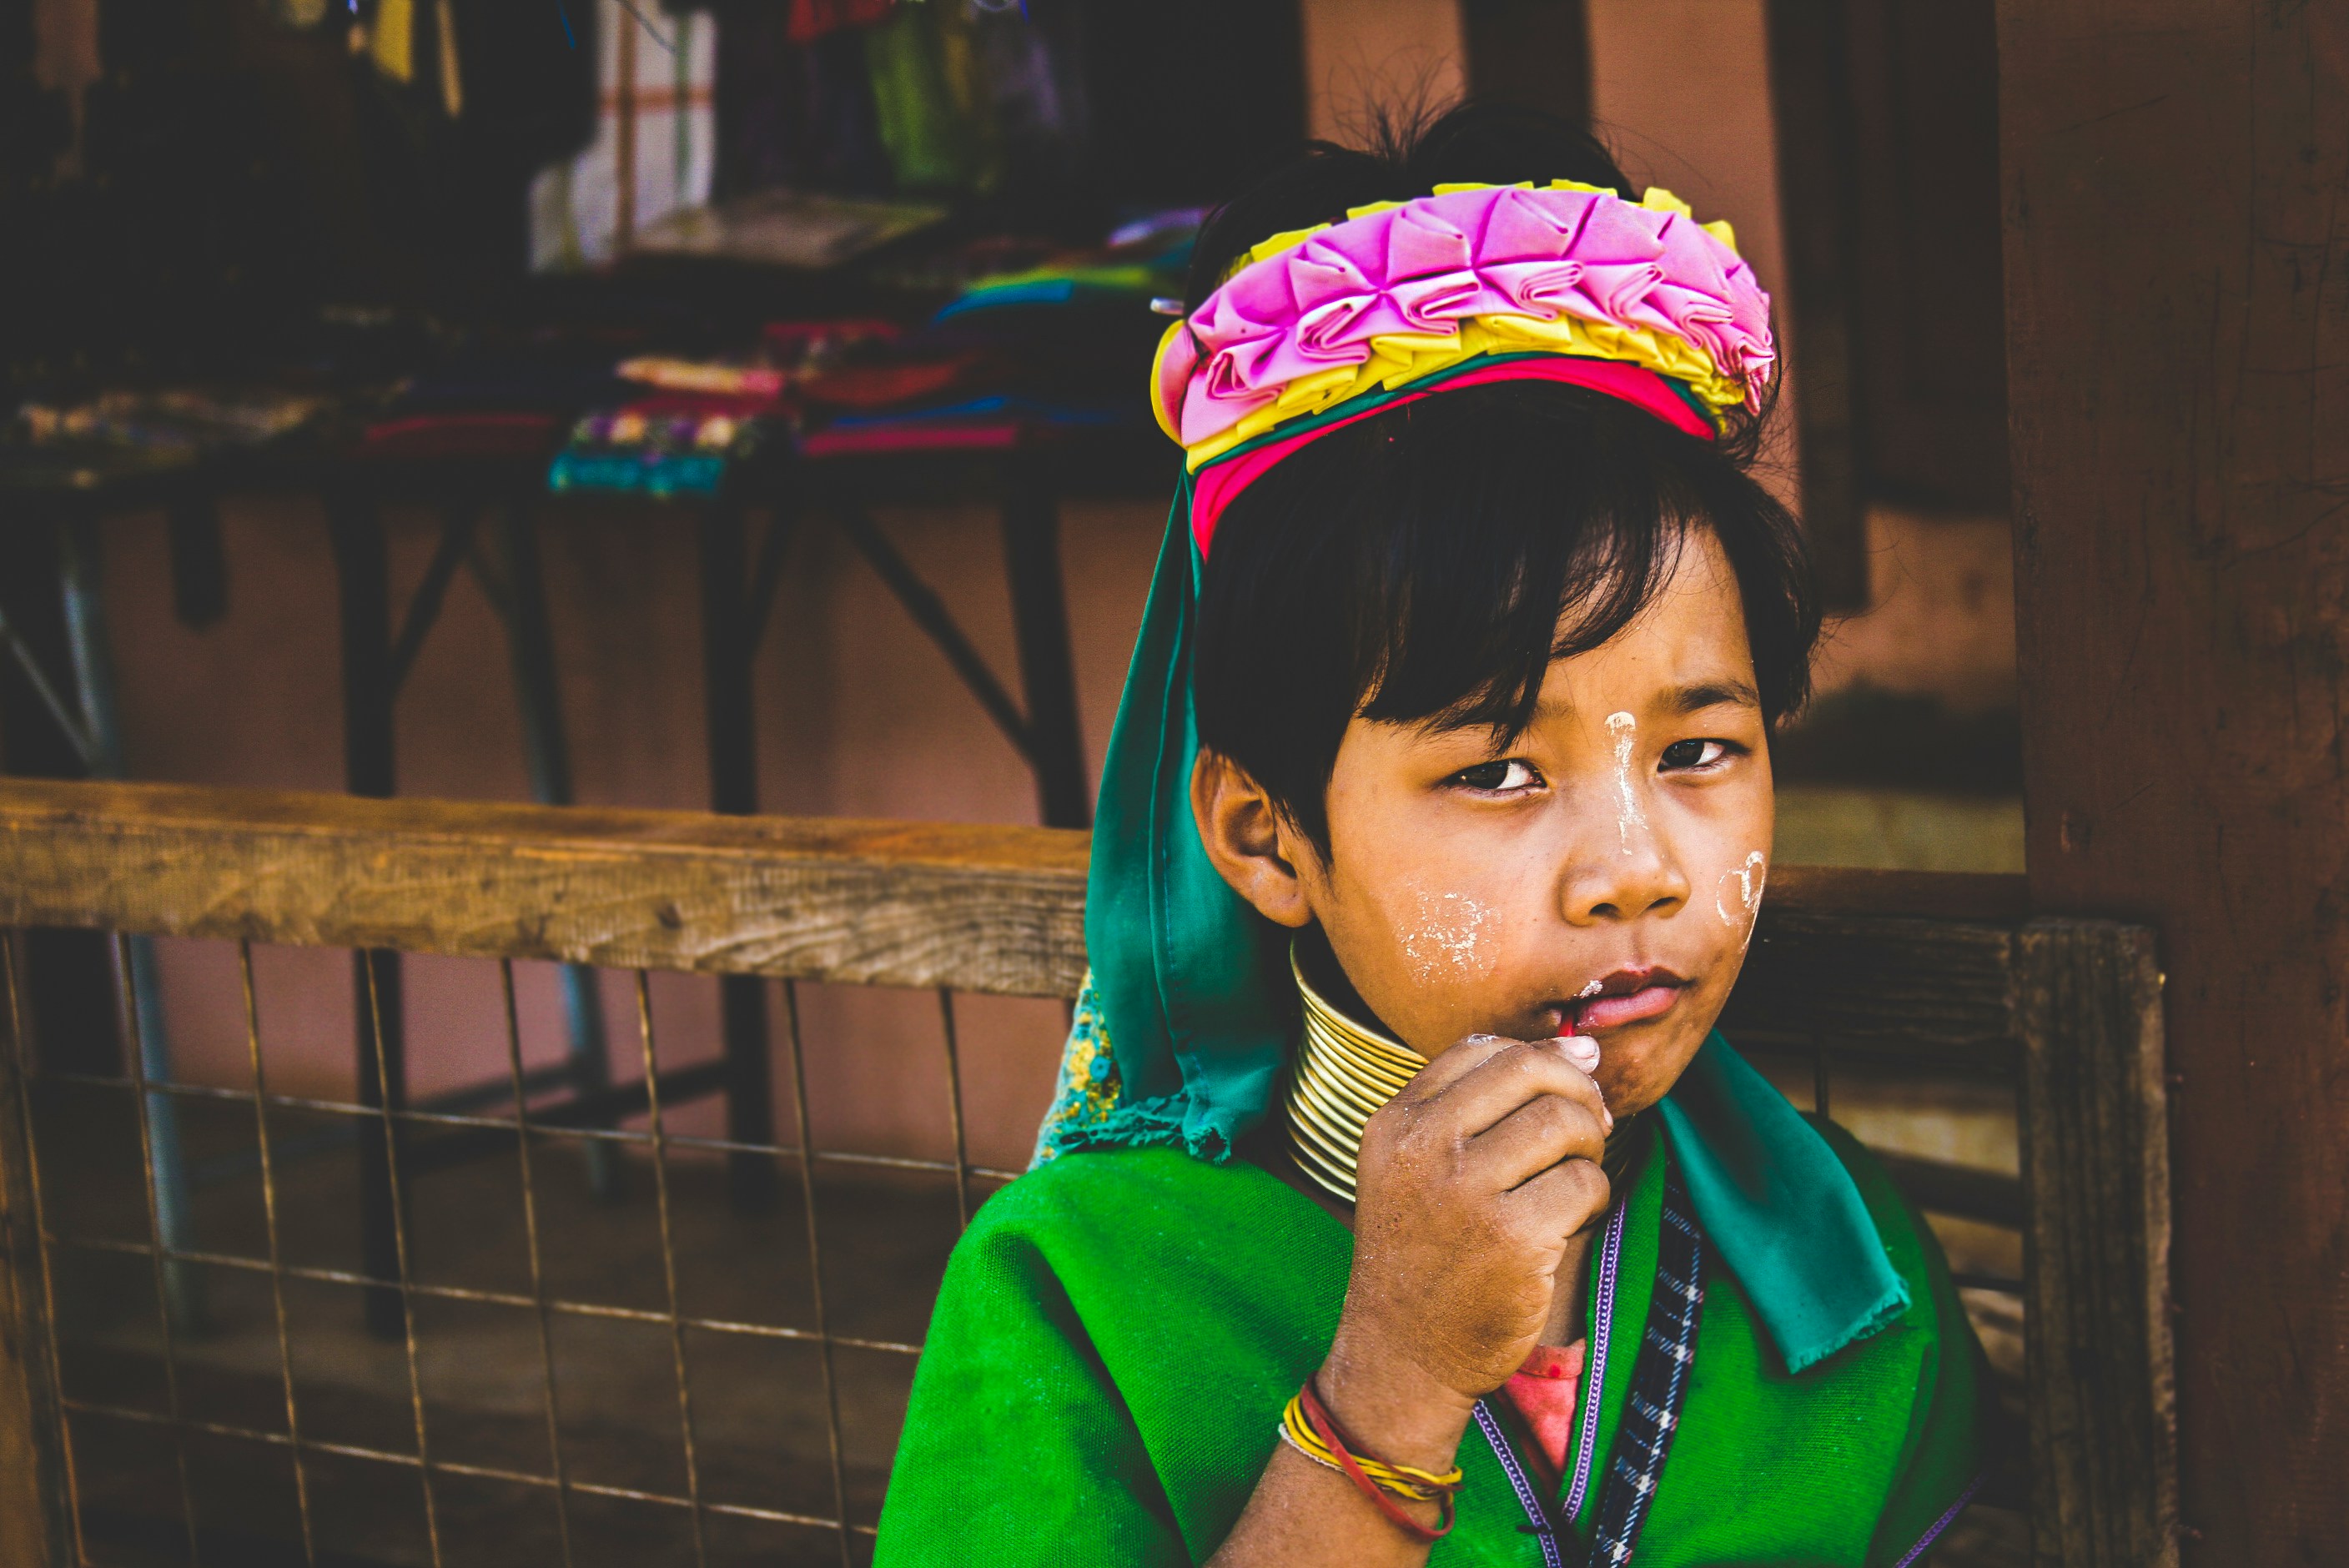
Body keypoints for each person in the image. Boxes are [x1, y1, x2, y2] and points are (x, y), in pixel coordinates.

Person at [874, 103, 1989, 1566]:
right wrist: (1386, 1391)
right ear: (1267, 835)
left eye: (1701, 750)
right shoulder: (1081, 1296)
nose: (1638, 868)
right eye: (1499, 770)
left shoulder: (1857, 1282)